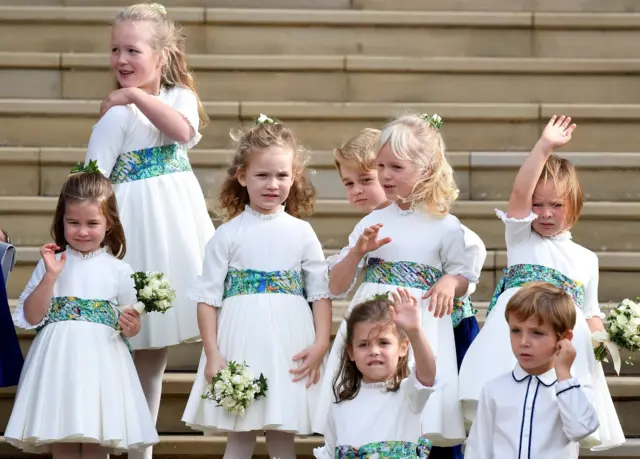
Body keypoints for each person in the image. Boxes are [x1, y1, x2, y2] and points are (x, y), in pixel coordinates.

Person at [83, 5, 215, 458]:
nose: (121, 59)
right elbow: (91, 180)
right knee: (120, 340)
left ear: (162, 56)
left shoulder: (178, 98)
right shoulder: (114, 119)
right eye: (115, 49)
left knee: (153, 351)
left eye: (133, 50)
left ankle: (141, 449)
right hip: (131, 234)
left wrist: (137, 97)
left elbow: (180, 131)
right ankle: (106, 441)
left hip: (173, 233)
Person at [314, 114, 486, 452]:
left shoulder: (445, 226)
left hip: (421, 325)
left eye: (396, 167)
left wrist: (451, 283)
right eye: (380, 166)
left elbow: (463, 273)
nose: (385, 175)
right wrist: (357, 253)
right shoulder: (372, 221)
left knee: (415, 408)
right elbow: (335, 286)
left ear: (425, 169)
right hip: (373, 323)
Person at [458, 115, 624, 450]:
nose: (545, 213)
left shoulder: (587, 259)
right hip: (515, 345)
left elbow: (590, 313)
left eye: (555, 205)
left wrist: (607, 342)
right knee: (504, 413)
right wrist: (544, 146)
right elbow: (520, 190)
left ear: (573, 205)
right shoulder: (521, 239)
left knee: (554, 420)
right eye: (537, 205)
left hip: (560, 350)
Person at [182, 115, 332, 459]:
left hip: (290, 342)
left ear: (294, 178)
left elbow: (320, 294)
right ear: (242, 176)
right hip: (241, 339)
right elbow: (207, 298)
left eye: (282, 175)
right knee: (240, 433)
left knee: (283, 435)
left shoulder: (302, 233)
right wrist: (213, 353)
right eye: (262, 175)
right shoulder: (227, 234)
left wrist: (321, 343)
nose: (272, 184)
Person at [4, 170, 158, 458]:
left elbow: (131, 325)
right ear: (61, 220)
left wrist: (131, 326)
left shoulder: (119, 270)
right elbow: (32, 316)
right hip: (58, 363)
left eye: (92, 223)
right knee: (62, 434)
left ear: (109, 222)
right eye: (73, 222)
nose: (82, 231)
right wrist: (50, 277)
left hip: (103, 364)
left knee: (96, 440)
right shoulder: (52, 263)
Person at [465, 282, 600, 459]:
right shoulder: (494, 389)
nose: (523, 342)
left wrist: (564, 375)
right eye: (516, 331)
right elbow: (478, 450)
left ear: (565, 338)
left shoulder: (575, 389)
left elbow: (580, 429)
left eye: (537, 333)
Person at [315, 288, 437, 459]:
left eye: (383, 343)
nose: (374, 351)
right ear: (351, 352)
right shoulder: (339, 407)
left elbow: (427, 375)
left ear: (403, 347)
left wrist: (415, 332)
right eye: (363, 344)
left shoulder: (409, 395)